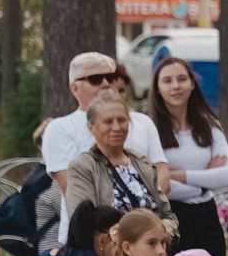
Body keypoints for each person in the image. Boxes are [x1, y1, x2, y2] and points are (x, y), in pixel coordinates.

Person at [41, 52, 168, 245]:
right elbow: (73, 189)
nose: (106, 84)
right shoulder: (59, 128)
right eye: (95, 79)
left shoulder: (143, 123)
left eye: (111, 77)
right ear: (75, 88)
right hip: (91, 240)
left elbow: (162, 179)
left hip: (147, 239)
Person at [146, 56, 228, 256]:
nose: (176, 86)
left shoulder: (210, 128)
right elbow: (155, 186)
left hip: (207, 218)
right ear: (157, 88)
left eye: (182, 79)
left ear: (192, 84)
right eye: (167, 81)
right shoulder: (149, 132)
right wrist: (205, 180)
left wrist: (177, 174)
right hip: (170, 218)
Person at [60, 94, 169, 229]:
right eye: (108, 122)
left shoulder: (142, 163)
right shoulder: (83, 168)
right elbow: (83, 223)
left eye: (122, 120)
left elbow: (167, 215)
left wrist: (161, 235)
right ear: (91, 127)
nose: (117, 128)